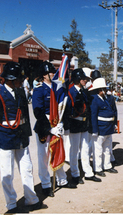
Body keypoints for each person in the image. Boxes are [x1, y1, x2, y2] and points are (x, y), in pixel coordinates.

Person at [0, 62, 43, 213]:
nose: (21, 81)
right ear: (10, 79)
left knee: (27, 169)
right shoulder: (0, 93)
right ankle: (11, 204)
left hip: (21, 136)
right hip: (5, 136)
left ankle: (31, 199)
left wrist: (27, 135)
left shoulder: (20, 92)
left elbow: (24, 114)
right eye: (18, 78)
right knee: (7, 173)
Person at [32, 61, 77, 198]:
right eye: (51, 72)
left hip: (57, 123)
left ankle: (62, 180)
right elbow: (37, 112)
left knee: (58, 151)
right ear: (44, 75)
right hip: (45, 125)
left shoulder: (58, 89)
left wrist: (61, 123)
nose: (53, 74)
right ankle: (46, 184)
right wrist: (49, 129)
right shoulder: (39, 90)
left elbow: (62, 108)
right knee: (44, 156)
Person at [68, 68, 101, 184]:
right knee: (74, 150)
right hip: (75, 123)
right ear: (77, 79)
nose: (85, 81)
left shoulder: (83, 91)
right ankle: (75, 173)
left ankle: (88, 172)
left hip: (84, 123)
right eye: (83, 79)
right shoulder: (71, 91)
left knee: (86, 149)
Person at [89, 77, 118, 176]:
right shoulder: (95, 100)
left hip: (108, 128)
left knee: (107, 149)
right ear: (99, 90)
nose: (105, 90)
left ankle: (107, 165)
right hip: (100, 128)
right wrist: (94, 130)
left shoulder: (106, 99)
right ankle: (98, 168)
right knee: (98, 150)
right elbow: (93, 115)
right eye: (103, 89)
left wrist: (114, 125)